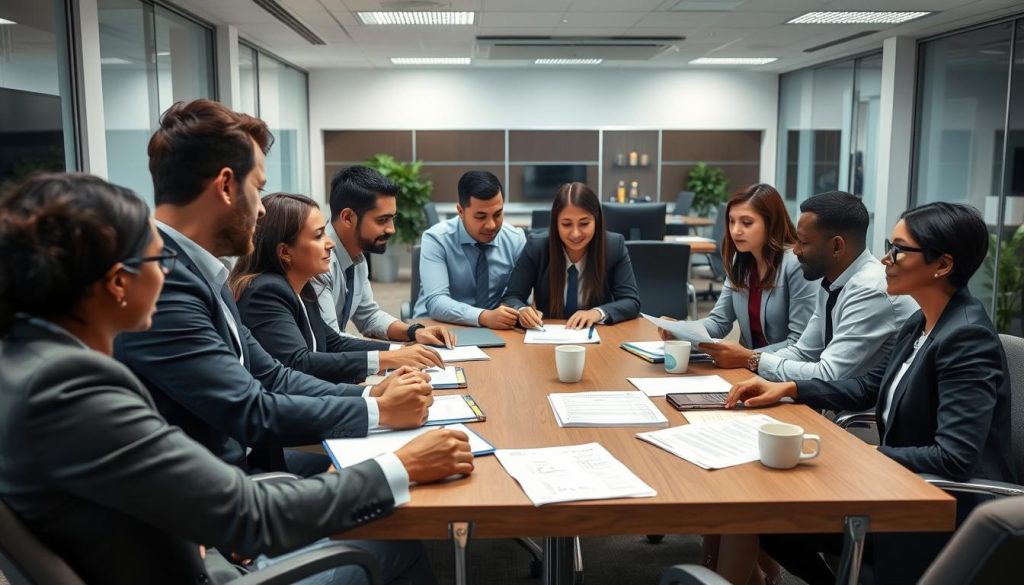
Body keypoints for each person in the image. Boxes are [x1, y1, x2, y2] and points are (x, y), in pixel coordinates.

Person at [0, 173, 474, 585]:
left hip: (190, 543)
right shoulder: (69, 388)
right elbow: (247, 515)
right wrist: (403, 466)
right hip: (205, 568)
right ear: (117, 283)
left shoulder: (32, 363)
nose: (168, 281)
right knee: (398, 544)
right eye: (158, 263)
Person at [114, 99, 430, 480]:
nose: (263, 210)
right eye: (258, 188)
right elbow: (251, 412)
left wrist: (370, 396)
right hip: (218, 498)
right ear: (227, 185)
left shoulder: (200, 274)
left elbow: (274, 376)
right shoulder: (161, 285)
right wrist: (378, 412)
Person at [720, 202, 1016, 585]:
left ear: (941, 265)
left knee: (771, 512)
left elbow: (955, 456)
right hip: (899, 486)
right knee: (760, 506)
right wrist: (790, 387)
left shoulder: (966, 338)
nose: (884, 259)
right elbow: (866, 387)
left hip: (941, 508)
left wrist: (860, 456)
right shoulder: (921, 321)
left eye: (898, 249)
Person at [231, 193, 443, 383]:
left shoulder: (303, 288)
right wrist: (386, 359)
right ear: (285, 252)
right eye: (318, 235)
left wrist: (402, 351)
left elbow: (333, 342)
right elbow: (298, 363)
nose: (330, 243)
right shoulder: (265, 291)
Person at [753, 191, 917, 381]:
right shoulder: (833, 282)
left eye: (803, 242)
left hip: (866, 409)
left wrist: (753, 361)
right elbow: (804, 352)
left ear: (837, 246)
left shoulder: (870, 289)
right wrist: (751, 362)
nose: (796, 250)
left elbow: (829, 375)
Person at [659, 184, 818, 370]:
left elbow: (799, 345)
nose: (735, 231)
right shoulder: (741, 260)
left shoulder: (795, 264)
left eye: (746, 223)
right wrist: (681, 329)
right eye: (731, 221)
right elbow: (718, 322)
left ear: (771, 223)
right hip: (746, 371)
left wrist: (748, 357)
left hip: (784, 373)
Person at [318, 166, 456, 354]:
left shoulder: (356, 256)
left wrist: (414, 332)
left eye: (392, 219)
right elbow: (330, 341)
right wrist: (397, 352)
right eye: (382, 220)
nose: (392, 229)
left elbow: (368, 317)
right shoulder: (318, 259)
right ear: (348, 217)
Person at [501, 182, 641, 329]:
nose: (575, 233)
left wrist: (597, 313)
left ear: (596, 221)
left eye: (584, 223)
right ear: (556, 224)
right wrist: (522, 310)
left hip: (597, 337)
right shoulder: (537, 247)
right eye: (567, 224)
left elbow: (631, 301)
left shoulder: (613, 246)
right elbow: (511, 297)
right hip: (547, 338)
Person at [413, 170, 526, 329]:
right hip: (437, 327)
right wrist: (484, 316)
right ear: (460, 211)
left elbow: (519, 294)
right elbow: (436, 301)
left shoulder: (515, 239)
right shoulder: (436, 239)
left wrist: (521, 309)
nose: (491, 225)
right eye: (480, 217)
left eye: (497, 214)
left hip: (495, 329)